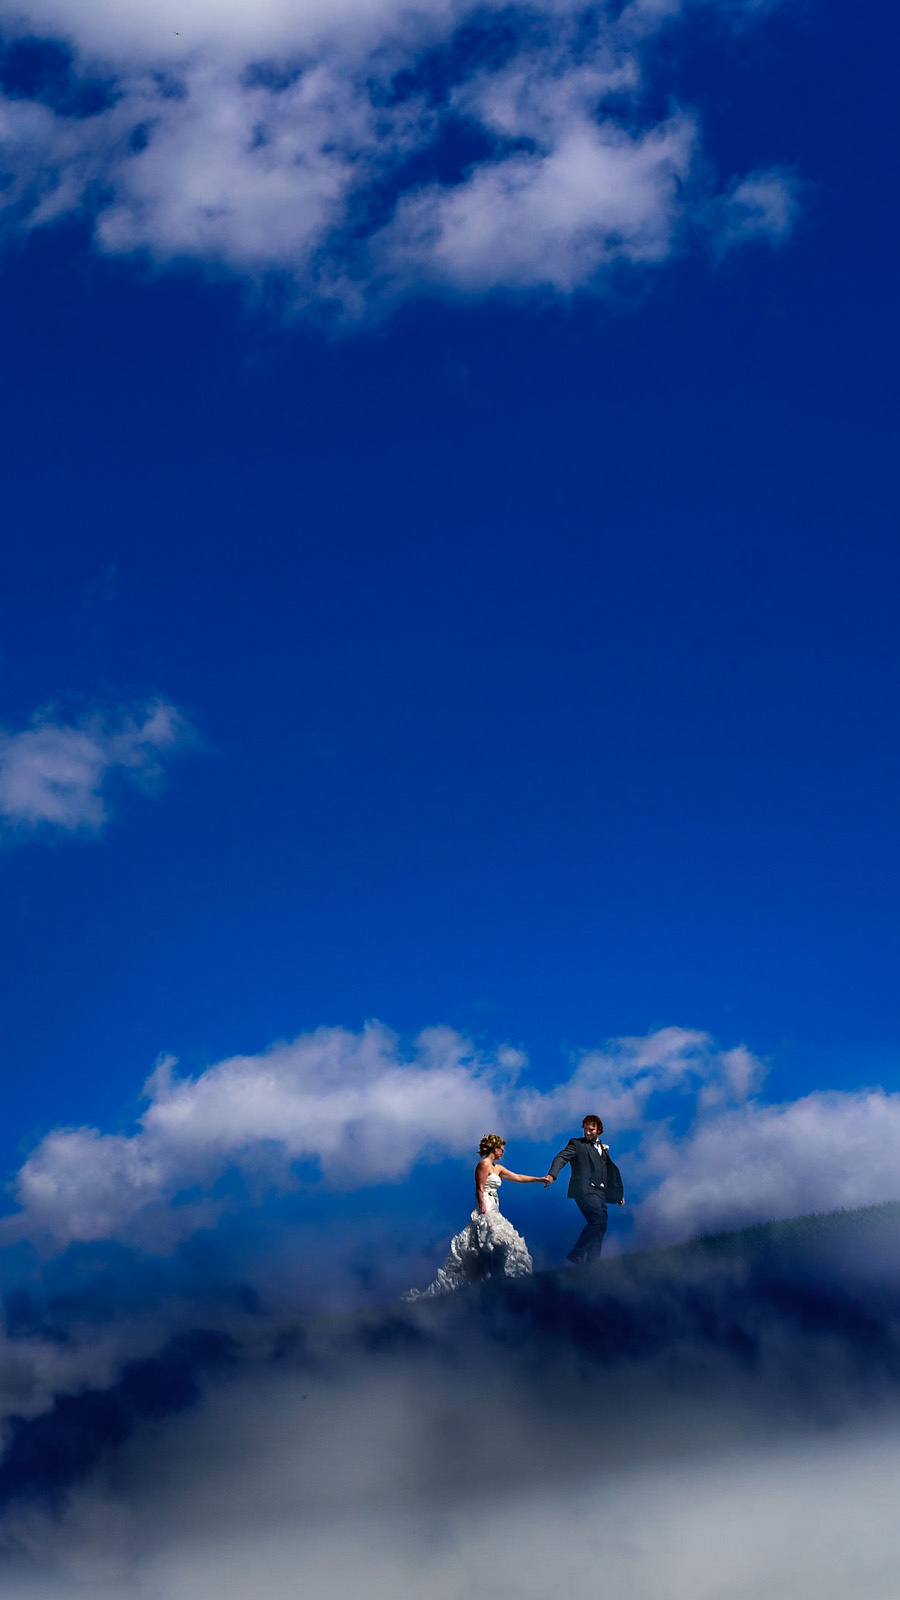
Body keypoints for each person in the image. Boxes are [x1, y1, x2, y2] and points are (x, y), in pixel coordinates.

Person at [403, 1135, 545, 1300]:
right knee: (491, 1236)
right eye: (501, 1150)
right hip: (486, 1205)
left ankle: (497, 1275)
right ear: (494, 1148)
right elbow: (479, 1187)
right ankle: (492, 1275)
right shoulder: (483, 1165)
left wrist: (538, 1179)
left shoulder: (497, 1168)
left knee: (501, 1239)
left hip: (494, 1205)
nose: (503, 1153)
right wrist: (482, 1207)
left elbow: (518, 1177)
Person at [543, 1114, 625, 1266]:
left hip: (601, 1193)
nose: (587, 1133)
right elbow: (561, 1158)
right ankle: (577, 1253)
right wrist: (552, 1175)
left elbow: (609, 1172)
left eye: (591, 1130)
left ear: (599, 1130)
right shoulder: (576, 1144)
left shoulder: (603, 1148)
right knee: (597, 1220)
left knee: (601, 1226)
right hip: (584, 1190)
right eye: (585, 1129)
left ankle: (592, 1264)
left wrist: (618, 1195)